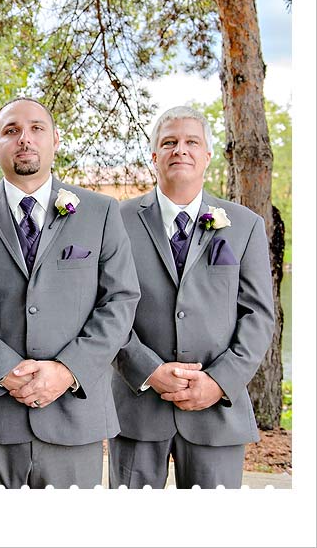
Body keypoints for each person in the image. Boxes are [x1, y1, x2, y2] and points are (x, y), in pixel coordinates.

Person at [0, 97, 140, 489]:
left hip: (75, 416)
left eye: (37, 128)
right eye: (11, 130)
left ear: (55, 139)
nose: (25, 138)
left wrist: (67, 370)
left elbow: (120, 300)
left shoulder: (101, 212)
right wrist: (3, 370)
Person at [109, 106, 274, 489]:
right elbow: (105, 307)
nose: (180, 149)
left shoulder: (245, 225)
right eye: (169, 142)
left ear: (207, 155)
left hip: (217, 412)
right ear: (154, 156)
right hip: (137, 408)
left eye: (191, 142)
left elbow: (258, 316)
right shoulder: (115, 221)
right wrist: (148, 371)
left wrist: (218, 381)